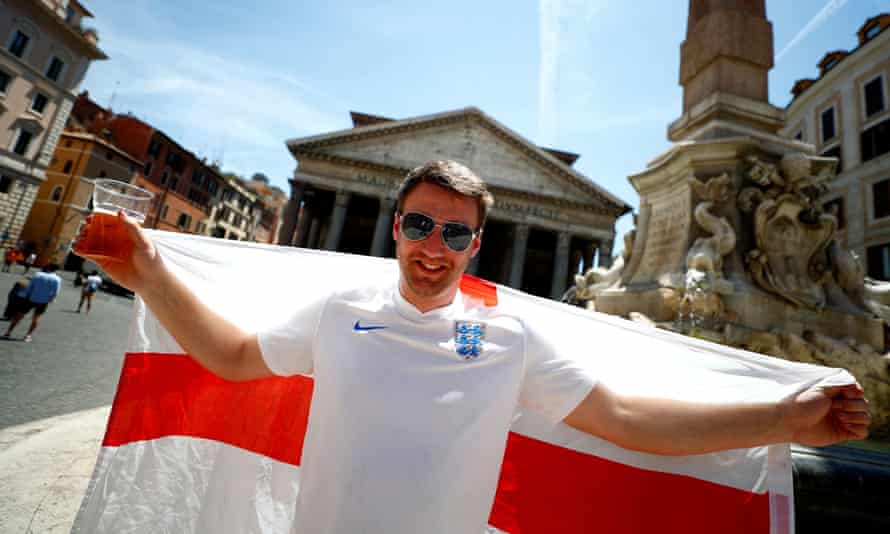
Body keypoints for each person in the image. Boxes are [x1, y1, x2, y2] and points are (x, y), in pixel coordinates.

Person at [81, 160, 870, 533]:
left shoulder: (509, 337)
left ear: (475, 245)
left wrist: (780, 417)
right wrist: (146, 268)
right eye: (420, 224)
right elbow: (232, 355)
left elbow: (630, 418)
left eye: (454, 232)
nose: (434, 245)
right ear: (397, 228)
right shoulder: (339, 308)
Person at [2, 263, 61, 342]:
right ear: (56, 270)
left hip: (30, 298)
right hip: (43, 301)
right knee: (36, 318)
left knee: (19, 315)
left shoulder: (38, 274)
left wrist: (24, 295)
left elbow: (30, 286)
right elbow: (55, 292)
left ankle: (8, 332)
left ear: (48, 268)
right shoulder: (57, 279)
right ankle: (28, 336)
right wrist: (51, 299)